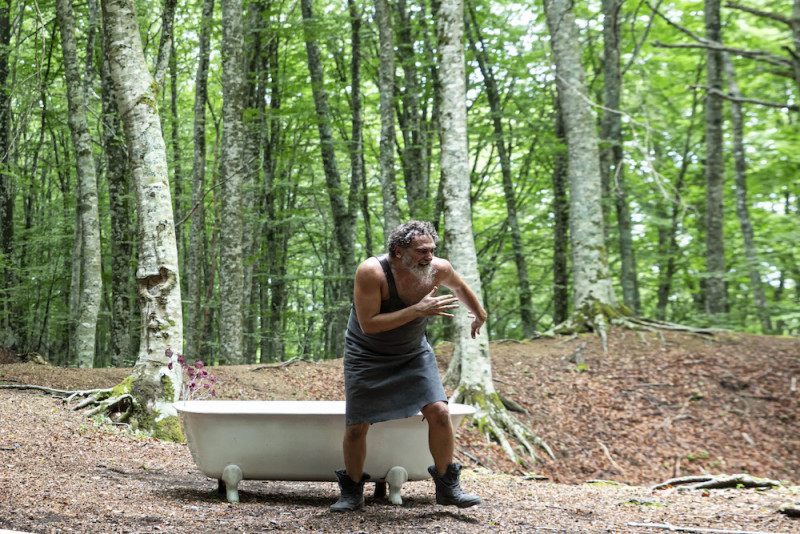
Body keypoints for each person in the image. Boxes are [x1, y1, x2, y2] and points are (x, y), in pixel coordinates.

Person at [331, 220, 486, 512]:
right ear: (398, 251)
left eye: (431, 250)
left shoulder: (438, 268)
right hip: (366, 354)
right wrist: (418, 310)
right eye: (420, 251)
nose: (428, 256)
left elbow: (459, 286)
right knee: (357, 426)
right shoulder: (371, 272)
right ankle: (352, 492)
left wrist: (478, 312)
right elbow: (368, 325)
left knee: (440, 412)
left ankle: (448, 487)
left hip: (413, 353)